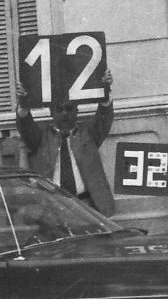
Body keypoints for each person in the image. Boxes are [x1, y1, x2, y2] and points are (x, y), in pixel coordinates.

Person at [15, 78, 115, 215]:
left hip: (87, 205)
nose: (64, 114)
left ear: (76, 111)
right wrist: (23, 101)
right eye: (59, 109)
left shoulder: (88, 133)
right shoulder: (41, 137)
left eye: (69, 108)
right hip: (54, 206)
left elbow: (105, 116)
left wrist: (105, 89)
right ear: (51, 112)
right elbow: (25, 124)